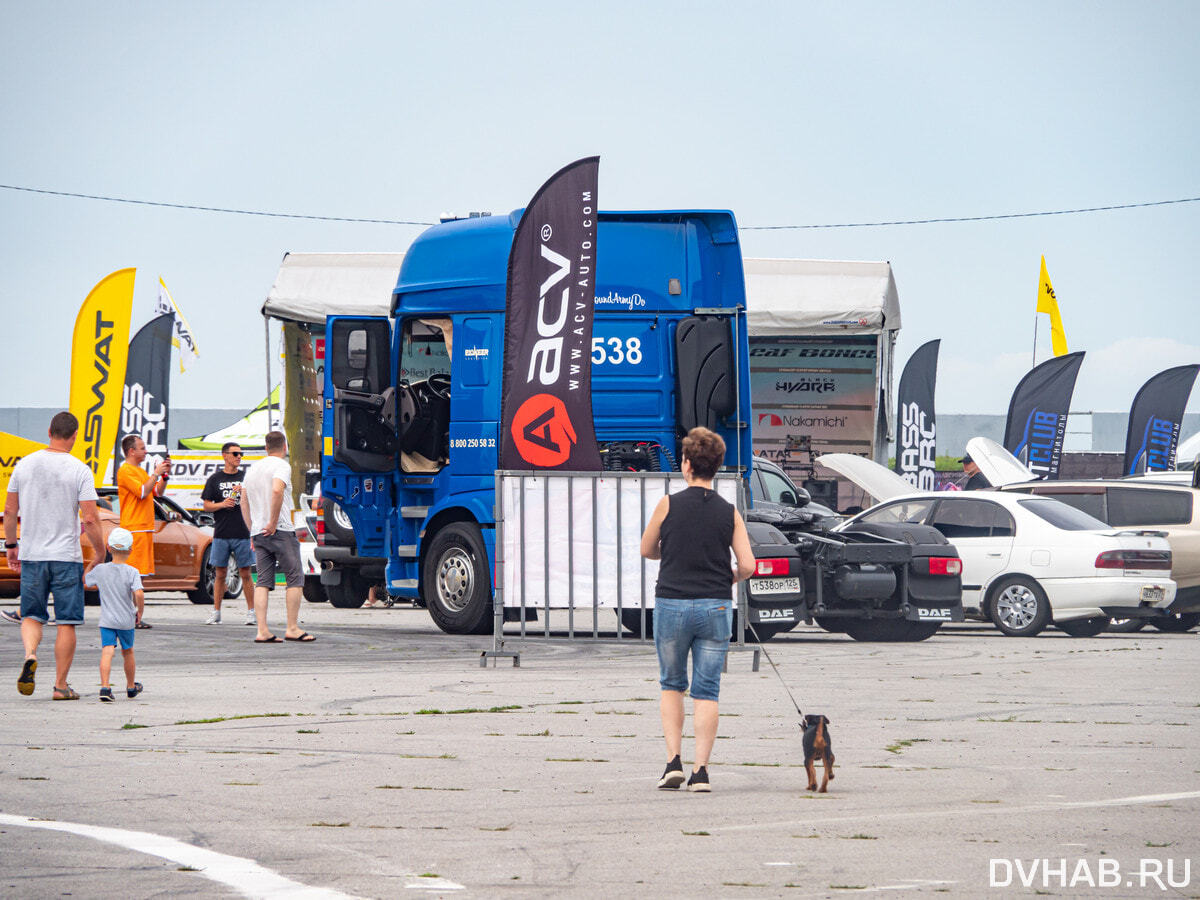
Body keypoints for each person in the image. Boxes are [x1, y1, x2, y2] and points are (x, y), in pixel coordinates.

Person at [640, 426, 756, 792]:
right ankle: (701, 772)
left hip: (672, 603)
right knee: (707, 690)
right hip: (715, 606)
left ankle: (673, 762)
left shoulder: (667, 504)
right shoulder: (729, 511)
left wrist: (669, 555)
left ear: (686, 464)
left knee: (672, 684)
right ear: (717, 467)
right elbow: (749, 565)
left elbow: (647, 549)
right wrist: (728, 579)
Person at [5, 411, 106, 700]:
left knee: (32, 615)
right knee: (66, 621)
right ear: (74, 436)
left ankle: (30, 654)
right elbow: (90, 518)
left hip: (33, 554)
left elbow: (10, 511)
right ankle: (61, 686)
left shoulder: (24, 465)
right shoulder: (79, 469)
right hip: (66, 557)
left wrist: (12, 547)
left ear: (49, 430)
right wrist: (100, 552)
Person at [241, 431, 314, 643]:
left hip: (258, 532)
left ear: (266, 448)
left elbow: (243, 500)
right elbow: (276, 491)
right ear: (285, 447)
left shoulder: (253, 468)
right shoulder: (282, 466)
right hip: (279, 529)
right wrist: (272, 522)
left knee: (262, 581)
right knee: (294, 578)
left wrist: (252, 529)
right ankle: (292, 627)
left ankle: (262, 630)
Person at [85, 527, 144, 701]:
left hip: (107, 620)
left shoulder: (101, 570)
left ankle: (104, 687)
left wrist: (93, 563)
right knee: (128, 652)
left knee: (107, 651)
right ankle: (131, 686)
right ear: (130, 551)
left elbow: (86, 582)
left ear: (108, 548)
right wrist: (139, 611)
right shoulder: (132, 572)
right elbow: (139, 593)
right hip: (126, 619)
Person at [117, 435, 170, 629]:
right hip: (134, 529)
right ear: (131, 451)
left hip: (144, 529)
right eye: (142, 448)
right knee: (134, 578)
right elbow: (142, 491)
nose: (145, 451)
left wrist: (164, 476)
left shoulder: (139, 471)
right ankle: (133, 617)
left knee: (138, 577)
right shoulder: (125, 471)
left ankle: (133, 616)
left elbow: (157, 492)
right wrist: (155, 473)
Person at [200, 442, 256, 625]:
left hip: (242, 532)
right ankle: (216, 612)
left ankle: (251, 612)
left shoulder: (246, 478)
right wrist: (222, 504)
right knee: (220, 573)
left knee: (245, 572)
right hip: (221, 533)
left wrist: (244, 492)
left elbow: (255, 500)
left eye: (241, 454)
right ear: (225, 455)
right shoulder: (215, 479)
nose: (239, 457)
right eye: (235, 453)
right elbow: (206, 505)